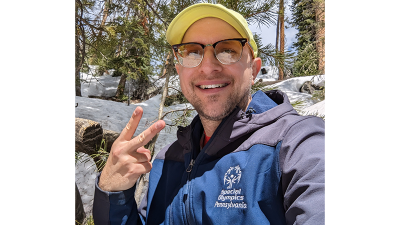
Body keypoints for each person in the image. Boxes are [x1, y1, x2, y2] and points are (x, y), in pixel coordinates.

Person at [93, 3, 325, 225]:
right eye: (192, 52)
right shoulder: (166, 161)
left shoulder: (298, 143)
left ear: (253, 70)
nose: (207, 66)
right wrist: (113, 194)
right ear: (180, 71)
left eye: (227, 50)